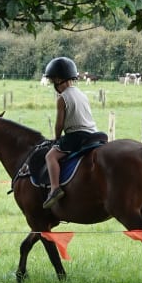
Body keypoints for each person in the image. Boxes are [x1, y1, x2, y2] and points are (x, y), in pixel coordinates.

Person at [41, 57, 98, 209]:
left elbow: (59, 124)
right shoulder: (82, 94)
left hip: (77, 135)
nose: (54, 85)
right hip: (93, 133)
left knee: (50, 156)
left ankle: (54, 189)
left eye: (53, 81)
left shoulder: (62, 98)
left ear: (59, 80)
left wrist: (57, 139)